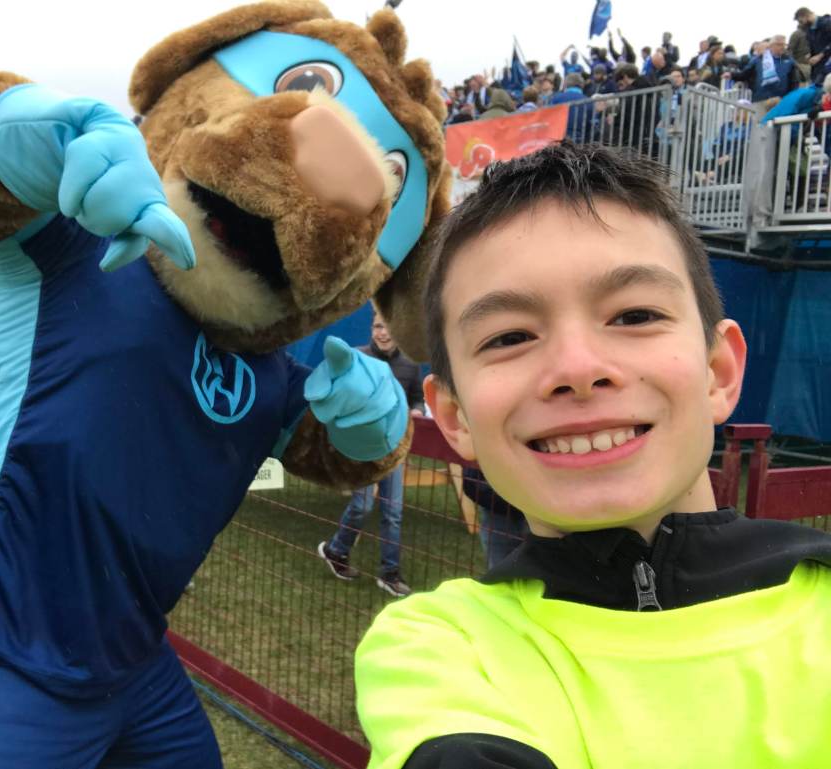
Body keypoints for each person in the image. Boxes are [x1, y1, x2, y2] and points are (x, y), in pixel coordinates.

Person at [354, 141, 831, 769]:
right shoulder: (439, 648)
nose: (577, 370)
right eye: (510, 336)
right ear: (455, 417)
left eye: (634, 315)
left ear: (717, 371)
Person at [318, 311, 424, 598]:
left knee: (393, 512)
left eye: (389, 328)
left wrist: (417, 409)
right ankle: (337, 550)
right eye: (378, 326)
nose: (384, 333)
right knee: (363, 506)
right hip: (362, 449)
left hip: (395, 450)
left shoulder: (411, 366)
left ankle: (390, 573)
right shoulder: (356, 358)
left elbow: (416, 396)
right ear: (371, 329)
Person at [729, 35, 801, 108]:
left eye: (784, 44)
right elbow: (745, 74)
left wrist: (789, 98)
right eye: (779, 44)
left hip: (781, 100)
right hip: (760, 99)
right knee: (759, 119)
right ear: (771, 46)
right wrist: (731, 75)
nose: (782, 47)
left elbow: (794, 81)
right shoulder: (758, 59)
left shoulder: (789, 61)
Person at [795, 6, 831, 82]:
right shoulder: (809, 30)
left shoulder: (827, 23)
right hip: (818, 69)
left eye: (801, 21)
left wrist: (820, 55)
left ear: (806, 16)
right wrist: (810, 55)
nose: (801, 24)